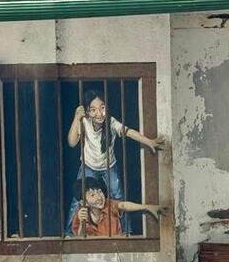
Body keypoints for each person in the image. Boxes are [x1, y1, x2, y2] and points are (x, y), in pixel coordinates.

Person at [65, 89, 164, 235]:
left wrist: (149, 141)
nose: (99, 113)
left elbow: (128, 132)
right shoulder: (84, 122)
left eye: (102, 108)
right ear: (87, 112)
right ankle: (69, 234)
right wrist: (76, 118)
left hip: (109, 166)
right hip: (88, 166)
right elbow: (72, 142)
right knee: (78, 199)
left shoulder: (111, 122)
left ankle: (126, 232)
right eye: (93, 110)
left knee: (118, 198)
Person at [71, 176, 167, 238]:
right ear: (84, 202)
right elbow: (79, 238)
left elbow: (123, 205)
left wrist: (147, 207)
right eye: (92, 195)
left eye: (99, 192)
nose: (99, 197)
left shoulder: (109, 204)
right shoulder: (81, 213)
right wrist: (82, 222)